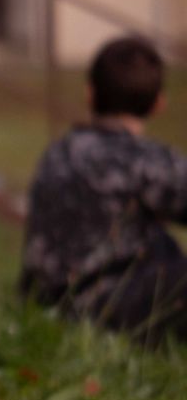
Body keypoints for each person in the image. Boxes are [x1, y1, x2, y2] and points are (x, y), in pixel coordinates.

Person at [20, 36, 187, 345]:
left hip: (40, 307)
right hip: (106, 313)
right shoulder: (147, 162)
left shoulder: (57, 153)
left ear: (90, 93)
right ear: (159, 104)